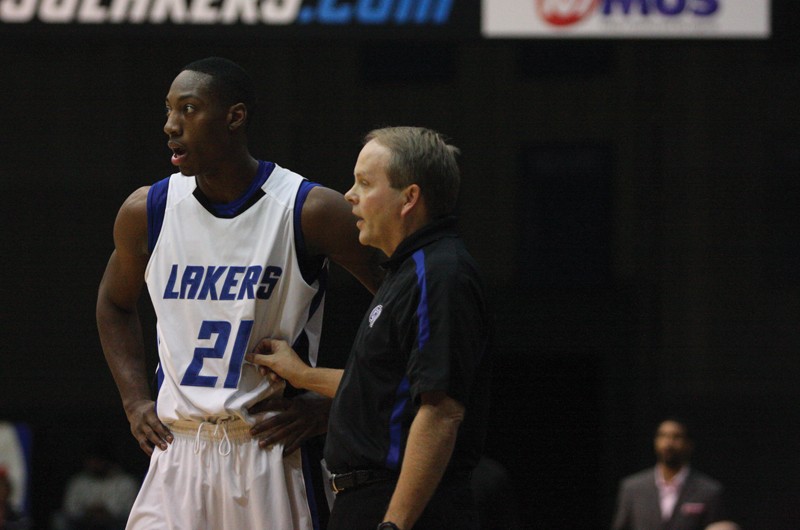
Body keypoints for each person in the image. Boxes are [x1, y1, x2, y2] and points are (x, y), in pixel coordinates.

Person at [96, 57, 382, 529]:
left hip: (269, 451)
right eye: (168, 111)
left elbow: (404, 308)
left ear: (235, 116)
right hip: (177, 450)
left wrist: (335, 402)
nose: (171, 126)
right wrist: (133, 400)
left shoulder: (309, 209)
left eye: (188, 109)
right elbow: (113, 303)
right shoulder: (147, 211)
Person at [247, 126, 492, 530]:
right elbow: (387, 389)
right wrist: (303, 376)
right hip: (364, 502)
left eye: (364, 182)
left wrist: (394, 524)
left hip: (400, 506)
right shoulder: (407, 272)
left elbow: (441, 411)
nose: (349, 195)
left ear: (409, 198)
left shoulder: (440, 274)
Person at [612, 417, 725, 530]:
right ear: (655, 441)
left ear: (689, 444)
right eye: (663, 436)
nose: (668, 443)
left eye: (676, 437)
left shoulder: (708, 491)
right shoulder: (633, 488)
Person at [51, 447, 139, 530]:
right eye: (92, 461)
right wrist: (89, 513)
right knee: (59, 520)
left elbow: (130, 510)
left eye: (98, 461)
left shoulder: (126, 482)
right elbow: (70, 508)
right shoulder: (78, 481)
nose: (95, 465)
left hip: (114, 523)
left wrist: (107, 513)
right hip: (84, 523)